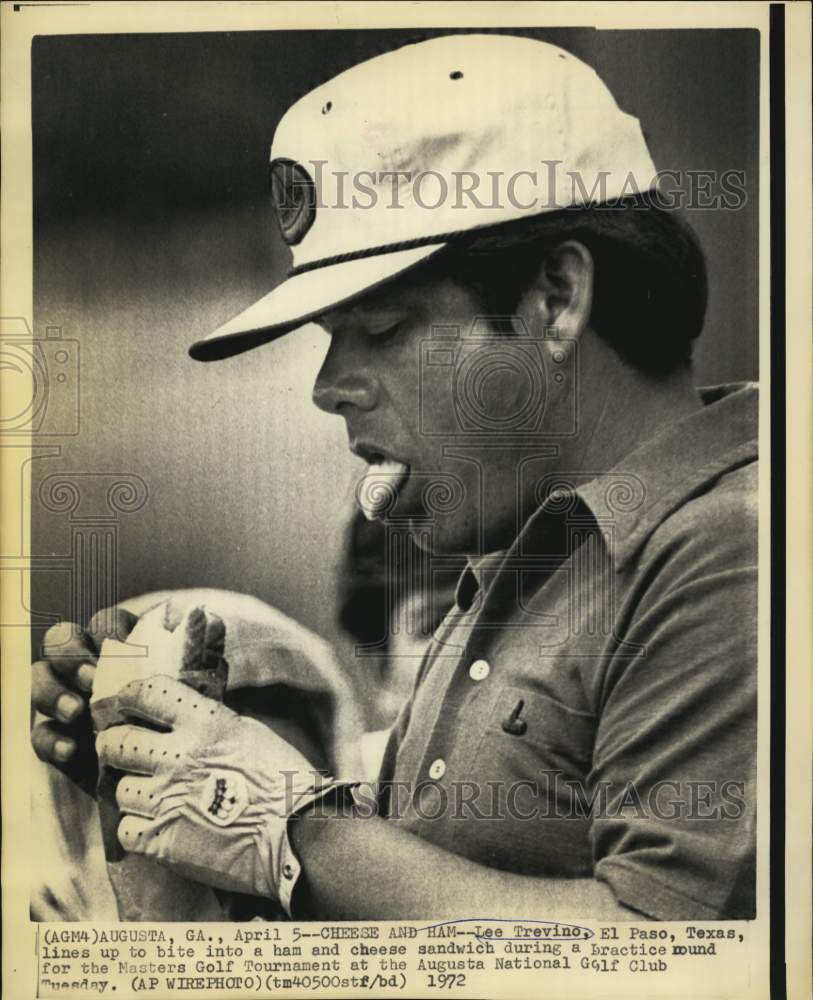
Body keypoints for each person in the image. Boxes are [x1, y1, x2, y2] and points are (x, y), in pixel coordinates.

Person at [31, 33, 756, 921]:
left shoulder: (735, 544)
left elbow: (671, 962)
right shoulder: (512, 565)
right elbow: (418, 936)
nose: (329, 386)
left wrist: (293, 825)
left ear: (557, 298)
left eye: (381, 328)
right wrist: (161, 791)